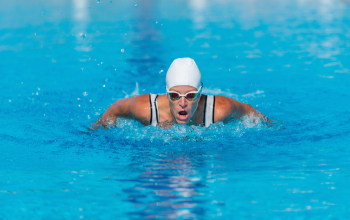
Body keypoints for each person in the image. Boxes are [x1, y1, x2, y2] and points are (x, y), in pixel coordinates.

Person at [91, 58, 269, 129]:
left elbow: (248, 111)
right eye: (175, 96)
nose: (182, 103)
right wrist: (97, 127)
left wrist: (272, 125)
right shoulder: (145, 109)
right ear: (167, 94)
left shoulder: (219, 109)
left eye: (190, 95)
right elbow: (116, 108)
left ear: (200, 95)